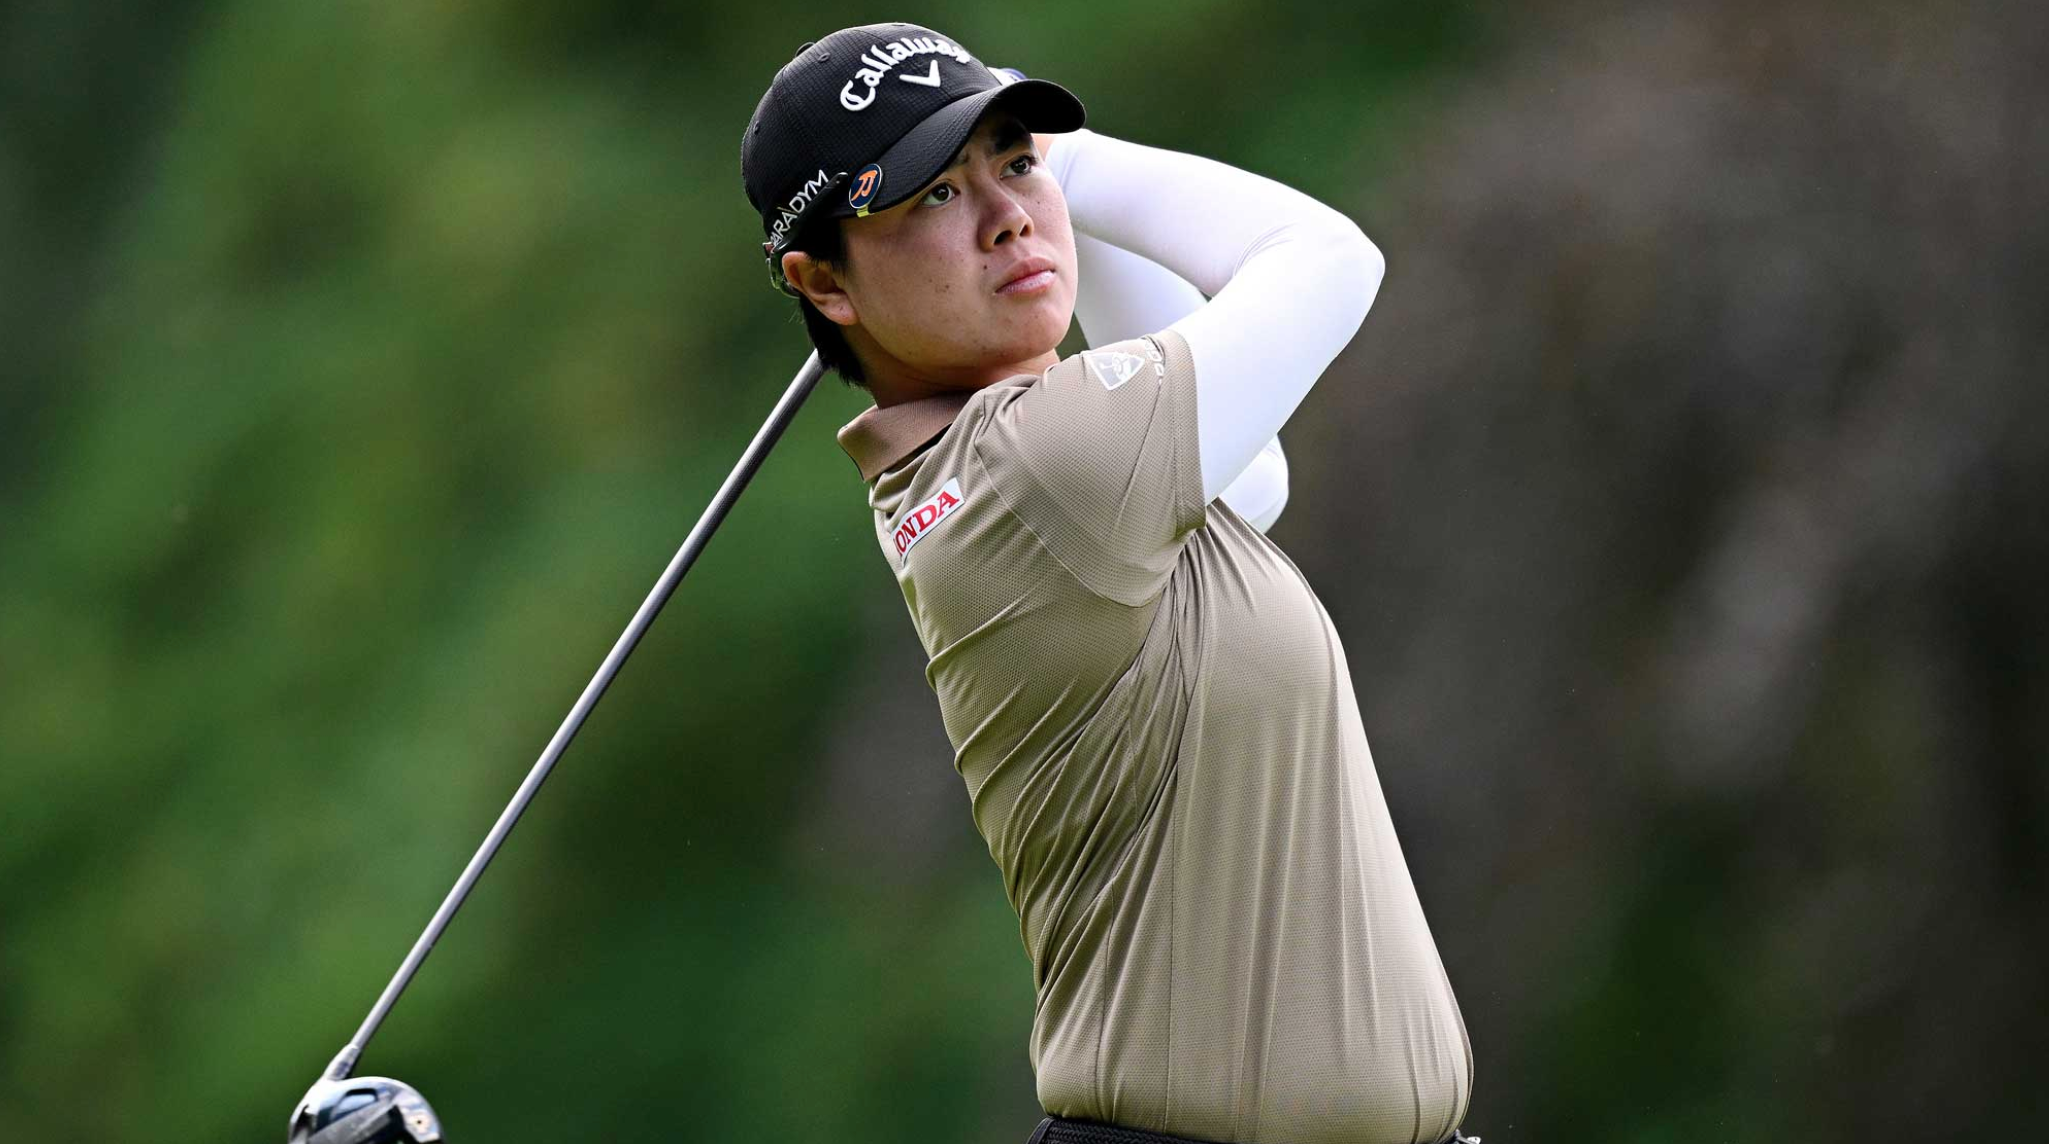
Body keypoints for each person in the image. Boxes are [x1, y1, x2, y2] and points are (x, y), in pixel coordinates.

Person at [742, 23, 1477, 1144]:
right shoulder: (1046, 466)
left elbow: (1255, 479)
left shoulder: (1025, 473)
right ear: (822, 281)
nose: (1006, 216)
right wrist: (1071, 164)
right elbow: (1329, 258)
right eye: (935, 195)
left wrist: (1030, 176)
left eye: (1016, 164)